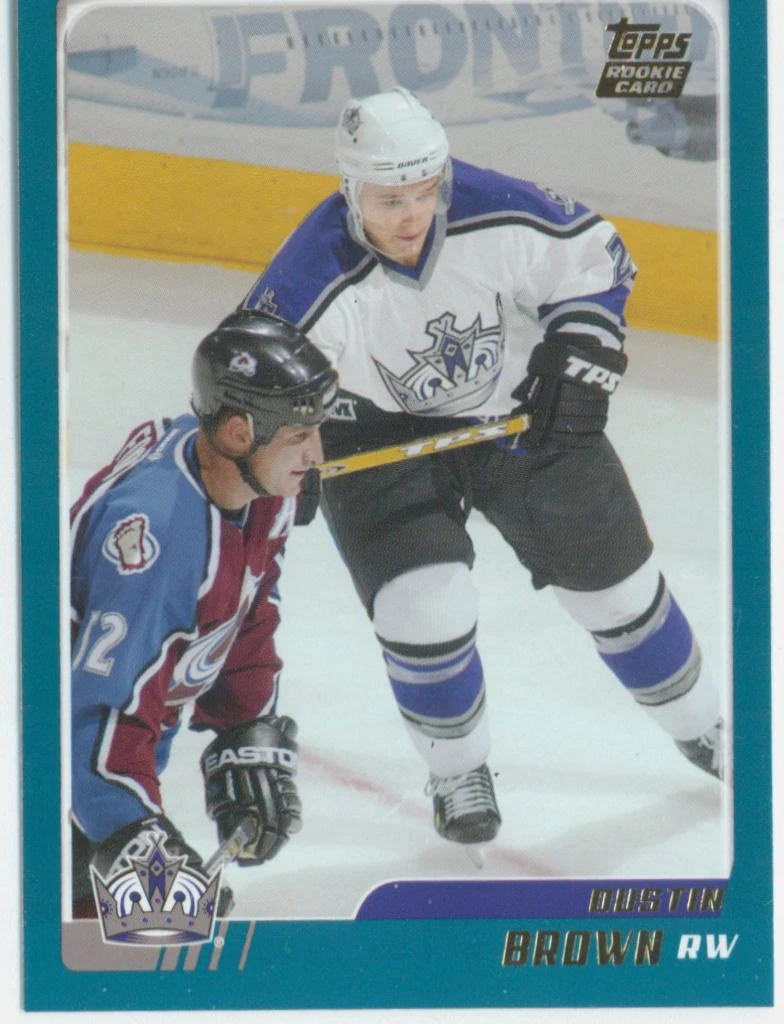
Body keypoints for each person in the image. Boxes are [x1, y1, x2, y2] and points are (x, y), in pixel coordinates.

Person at [241, 87, 726, 851]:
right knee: (422, 608)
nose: (412, 214)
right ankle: (457, 771)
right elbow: (249, 379)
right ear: (350, 188)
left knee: (619, 593)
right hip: (372, 433)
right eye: (389, 198)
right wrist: (277, 449)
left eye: (425, 190)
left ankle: (706, 727)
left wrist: (580, 350)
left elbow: (595, 258)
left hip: (517, 412)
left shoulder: (494, 206)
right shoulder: (307, 277)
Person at [69, 310, 337, 916]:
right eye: (300, 435)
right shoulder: (160, 540)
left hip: (99, 777)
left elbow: (249, 603)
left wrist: (243, 723)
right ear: (239, 433)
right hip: (42, 785)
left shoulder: (250, 479)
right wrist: (135, 842)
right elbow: (89, 726)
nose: (317, 454)